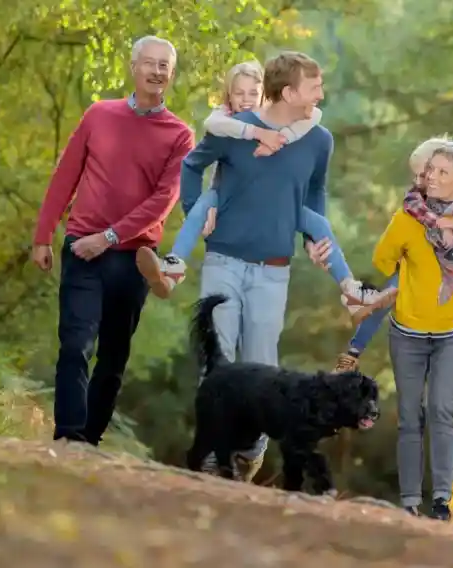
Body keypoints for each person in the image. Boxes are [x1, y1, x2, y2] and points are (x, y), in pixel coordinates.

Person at [162, 51, 338, 482]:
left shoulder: (318, 140)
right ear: (289, 91)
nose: (320, 93)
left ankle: (248, 453)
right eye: (313, 85)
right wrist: (197, 211)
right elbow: (191, 165)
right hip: (223, 258)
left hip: (274, 269)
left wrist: (315, 236)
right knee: (216, 360)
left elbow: (314, 195)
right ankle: (211, 457)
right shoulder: (234, 129)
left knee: (262, 367)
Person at [135, 60, 395, 317]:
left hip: (282, 218)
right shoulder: (226, 121)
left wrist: (308, 240)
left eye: (253, 93)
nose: (246, 99)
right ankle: (173, 267)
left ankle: (351, 290)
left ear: (266, 95)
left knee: (319, 224)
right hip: (227, 204)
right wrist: (257, 134)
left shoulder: (312, 131)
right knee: (204, 204)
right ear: (228, 96)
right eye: (239, 93)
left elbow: (314, 129)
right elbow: (204, 142)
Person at [31, 36, 193, 444]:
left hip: (133, 260)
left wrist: (108, 237)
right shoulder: (99, 115)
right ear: (133, 66)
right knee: (74, 345)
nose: (157, 72)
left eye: (164, 66)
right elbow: (65, 176)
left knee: (113, 357)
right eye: (150, 63)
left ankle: (89, 440)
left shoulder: (179, 135)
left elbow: (163, 201)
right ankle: (68, 437)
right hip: (82, 249)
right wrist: (43, 234)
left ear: (171, 75)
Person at [373, 140, 453, 520]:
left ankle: (442, 501)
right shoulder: (408, 216)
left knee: (441, 409)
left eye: (442, 172)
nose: (431, 178)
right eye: (430, 170)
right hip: (408, 333)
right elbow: (382, 263)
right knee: (410, 415)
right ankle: (410, 502)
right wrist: (397, 234)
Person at [332, 137, 453, 422]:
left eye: (424, 173)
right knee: (386, 298)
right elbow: (394, 244)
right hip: (416, 273)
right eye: (422, 174)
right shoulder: (415, 202)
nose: (421, 179)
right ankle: (352, 353)